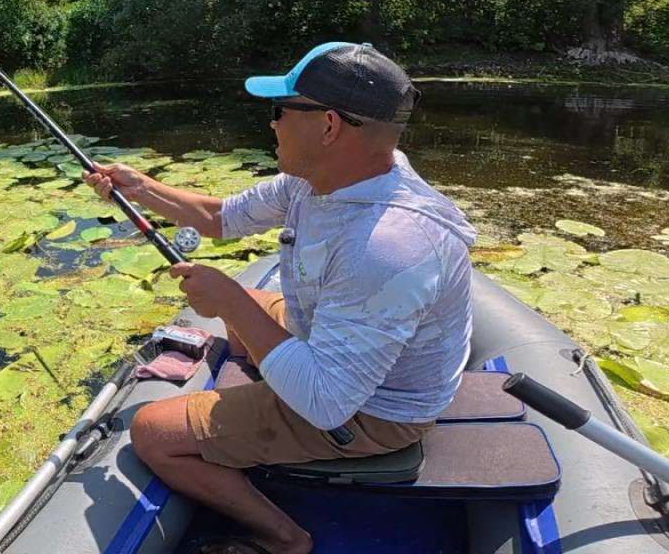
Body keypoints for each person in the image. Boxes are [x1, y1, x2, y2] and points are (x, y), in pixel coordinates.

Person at [83, 42, 476, 554]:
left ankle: (284, 537)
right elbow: (218, 218)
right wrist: (138, 187)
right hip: (330, 346)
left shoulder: (385, 247)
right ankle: (263, 382)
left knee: (153, 432)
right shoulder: (319, 181)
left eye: (281, 111)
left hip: (373, 411)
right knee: (246, 312)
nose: (272, 125)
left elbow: (326, 402)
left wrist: (228, 301)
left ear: (329, 125)